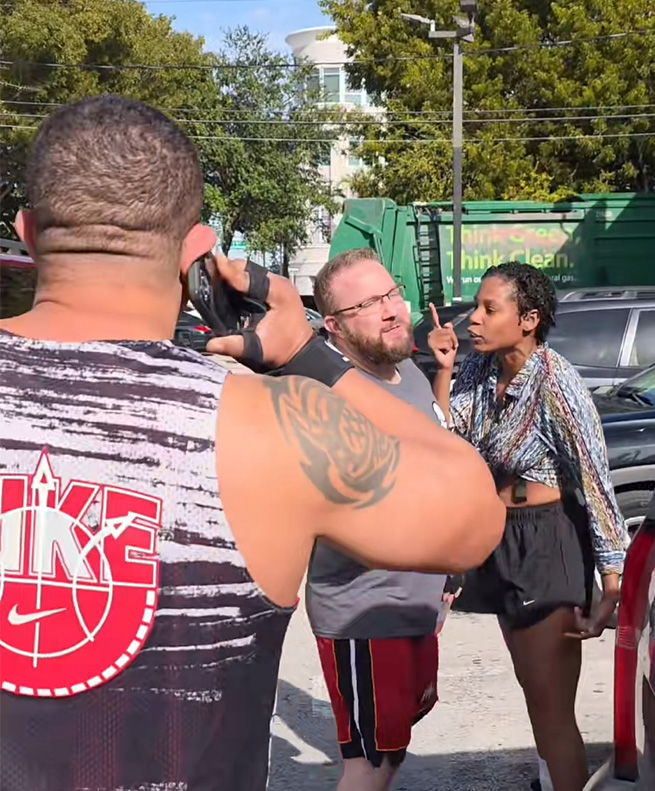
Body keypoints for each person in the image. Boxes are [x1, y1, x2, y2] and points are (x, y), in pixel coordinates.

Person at [0, 95, 505, 791]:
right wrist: (306, 351)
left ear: (26, 233)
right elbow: (475, 512)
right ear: (199, 255)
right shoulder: (271, 425)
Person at [428, 262, 628, 791]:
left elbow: (595, 478)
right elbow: (449, 442)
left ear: (528, 319)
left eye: (489, 309)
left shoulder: (557, 382)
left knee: (551, 708)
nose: (474, 318)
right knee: (531, 690)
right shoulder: (479, 369)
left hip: (548, 540)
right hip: (501, 539)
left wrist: (613, 580)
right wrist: (445, 370)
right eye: (476, 305)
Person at [308, 248, 459, 791]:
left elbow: (433, 451)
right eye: (371, 304)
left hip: (416, 603)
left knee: (391, 754)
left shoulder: (408, 375)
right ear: (335, 327)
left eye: (393, 293)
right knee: (368, 766)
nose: (393, 309)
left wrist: (446, 574)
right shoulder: (328, 397)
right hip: (364, 615)